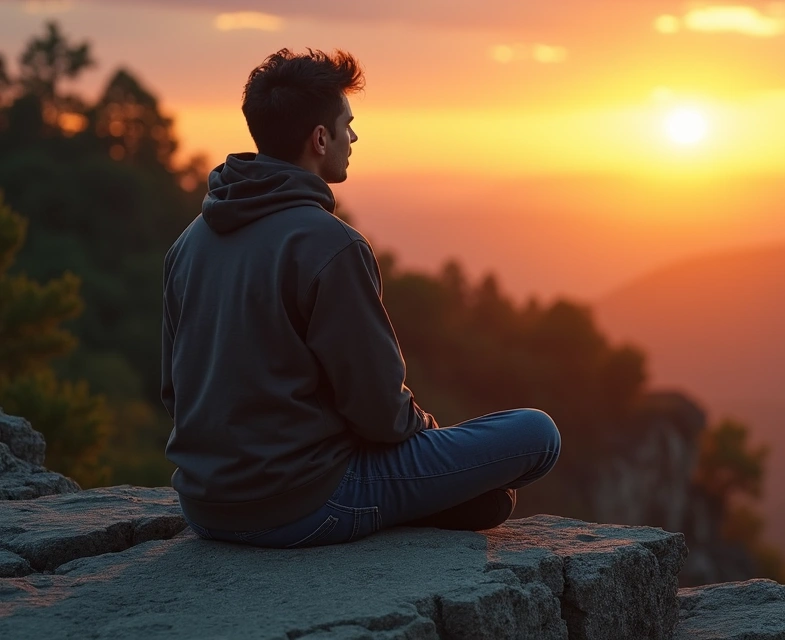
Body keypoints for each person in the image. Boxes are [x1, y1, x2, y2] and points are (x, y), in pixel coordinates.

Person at [161, 48, 560, 549]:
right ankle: (417, 499)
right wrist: (428, 440)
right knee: (537, 435)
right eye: (346, 125)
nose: (353, 138)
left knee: (488, 498)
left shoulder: (189, 242)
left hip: (206, 507)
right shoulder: (330, 245)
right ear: (319, 138)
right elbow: (379, 412)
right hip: (306, 502)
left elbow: (174, 392)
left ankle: (428, 499)